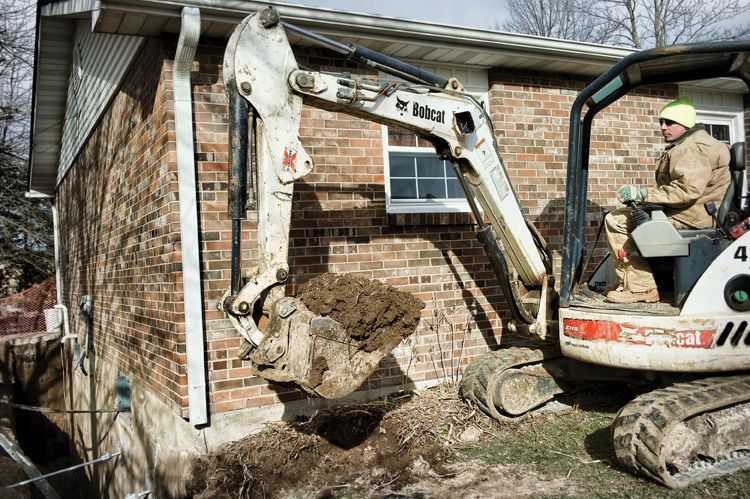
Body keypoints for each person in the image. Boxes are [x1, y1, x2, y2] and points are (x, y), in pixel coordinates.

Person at [604, 97, 730, 304]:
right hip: (692, 211)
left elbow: (686, 190)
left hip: (691, 217)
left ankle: (640, 287)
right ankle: (631, 281)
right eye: (661, 122)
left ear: (685, 124)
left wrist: (643, 195)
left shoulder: (693, 148)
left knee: (616, 220)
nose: (663, 127)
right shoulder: (691, 144)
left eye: (669, 122)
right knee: (629, 216)